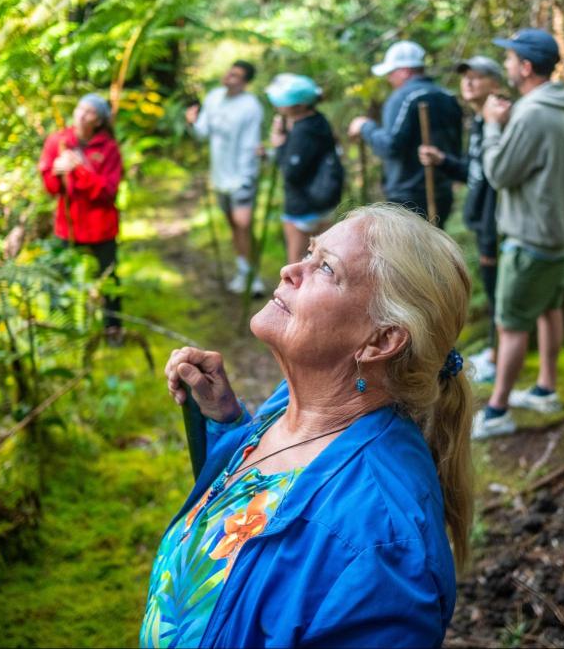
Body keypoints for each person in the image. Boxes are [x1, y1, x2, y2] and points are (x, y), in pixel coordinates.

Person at [145, 204, 473, 648]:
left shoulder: (383, 550)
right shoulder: (295, 404)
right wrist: (225, 423)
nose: (289, 268)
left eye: (324, 268)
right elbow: (258, 520)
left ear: (381, 340)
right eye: (311, 250)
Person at [471, 29, 564, 439]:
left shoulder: (533, 113)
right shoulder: (561, 102)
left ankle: (497, 411)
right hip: (558, 232)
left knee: (511, 323)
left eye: (511, 59)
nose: (507, 66)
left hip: (531, 237)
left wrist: (492, 127)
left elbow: (498, 173)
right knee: (550, 310)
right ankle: (545, 389)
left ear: (527, 67)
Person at [418, 56, 505, 383]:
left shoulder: (500, 120)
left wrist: (486, 222)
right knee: (493, 282)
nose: (468, 83)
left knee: (497, 287)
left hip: (494, 219)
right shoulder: (483, 122)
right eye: (465, 77)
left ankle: (499, 354)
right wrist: (442, 161)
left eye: (478, 77)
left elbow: (499, 176)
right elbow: (475, 172)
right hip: (483, 216)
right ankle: (497, 351)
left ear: (495, 83)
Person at [347, 41, 463, 226]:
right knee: (434, 250)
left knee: (408, 253)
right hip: (442, 193)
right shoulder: (447, 96)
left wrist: (365, 127)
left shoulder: (403, 97)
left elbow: (390, 147)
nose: (389, 79)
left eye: (391, 73)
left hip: (409, 197)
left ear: (404, 71)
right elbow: (456, 149)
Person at [38, 93, 123, 336]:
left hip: (101, 227)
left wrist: (80, 170)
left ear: (99, 121)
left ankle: (113, 329)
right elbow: (52, 189)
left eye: (89, 112)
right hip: (69, 225)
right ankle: (64, 332)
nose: (81, 115)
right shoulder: (58, 141)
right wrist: (56, 172)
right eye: (79, 108)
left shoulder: (109, 149)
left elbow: (108, 192)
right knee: (63, 278)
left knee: (109, 279)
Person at [186, 60, 266, 296]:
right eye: (229, 72)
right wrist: (191, 122)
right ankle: (243, 270)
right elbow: (203, 132)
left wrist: (247, 177)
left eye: (236, 75)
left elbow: (251, 144)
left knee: (243, 224)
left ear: (245, 82)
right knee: (233, 224)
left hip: (241, 176)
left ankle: (253, 277)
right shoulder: (214, 97)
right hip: (219, 175)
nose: (229, 77)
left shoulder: (250, 106)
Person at [264, 73, 344, 264]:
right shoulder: (319, 120)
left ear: (297, 105)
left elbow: (291, 172)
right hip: (325, 200)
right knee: (321, 262)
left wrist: (279, 144)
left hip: (303, 206)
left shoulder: (303, 130)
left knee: (297, 262)